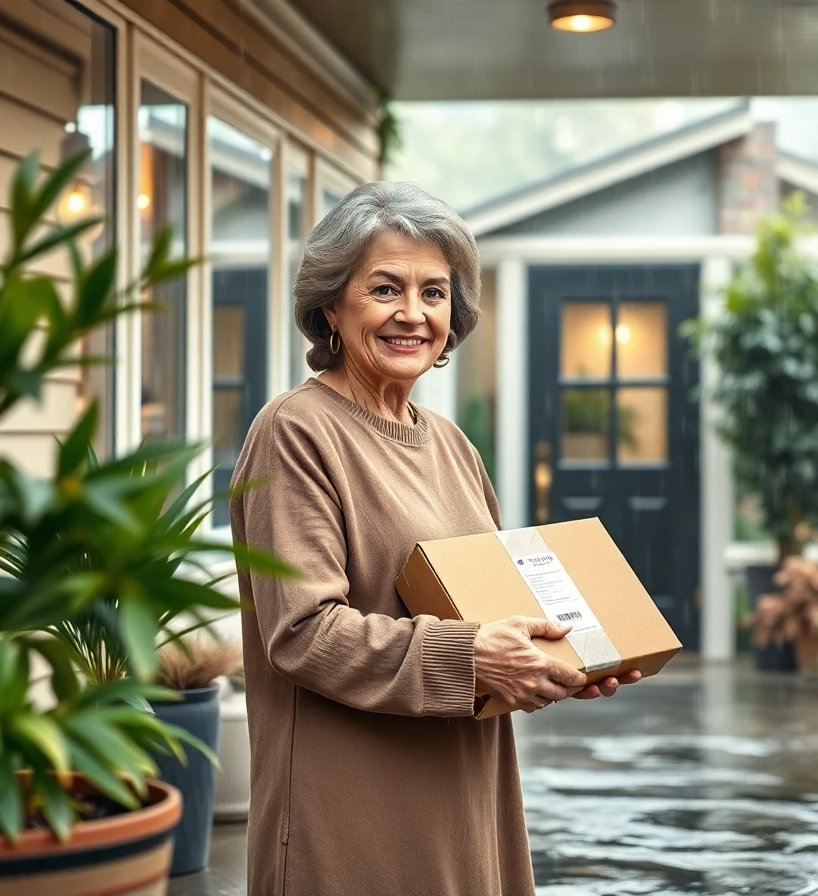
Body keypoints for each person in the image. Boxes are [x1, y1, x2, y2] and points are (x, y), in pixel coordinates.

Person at [230, 181, 641, 896]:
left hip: (463, 794)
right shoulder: (295, 431)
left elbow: (490, 607)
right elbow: (301, 632)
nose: (412, 315)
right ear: (331, 304)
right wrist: (474, 659)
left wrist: (558, 660)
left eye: (434, 293)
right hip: (351, 807)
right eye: (385, 289)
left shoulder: (451, 445)